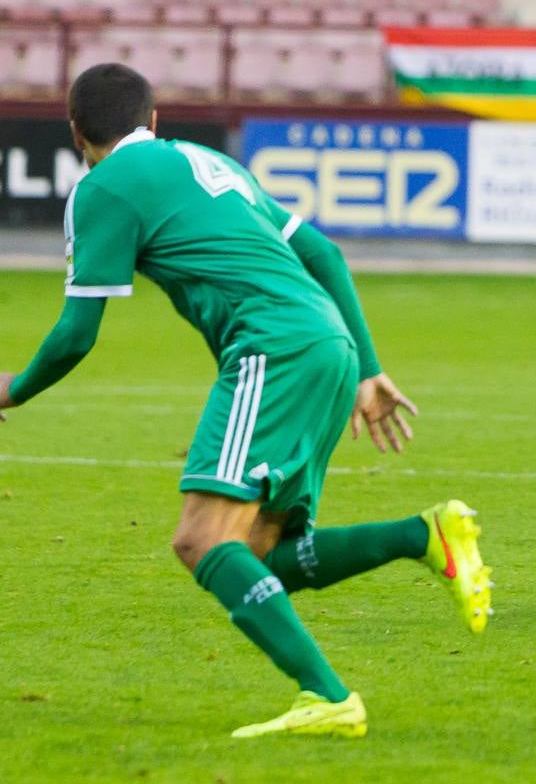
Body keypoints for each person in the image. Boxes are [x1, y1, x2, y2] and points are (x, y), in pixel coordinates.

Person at [0, 64, 492, 739]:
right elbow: (322, 251)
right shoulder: (208, 161)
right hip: (329, 345)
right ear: (153, 121)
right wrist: (367, 368)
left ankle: (328, 695)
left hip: (272, 349)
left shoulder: (101, 188)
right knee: (259, 554)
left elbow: (76, 334)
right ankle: (422, 535)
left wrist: (14, 389)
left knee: (201, 540)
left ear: (77, 131)